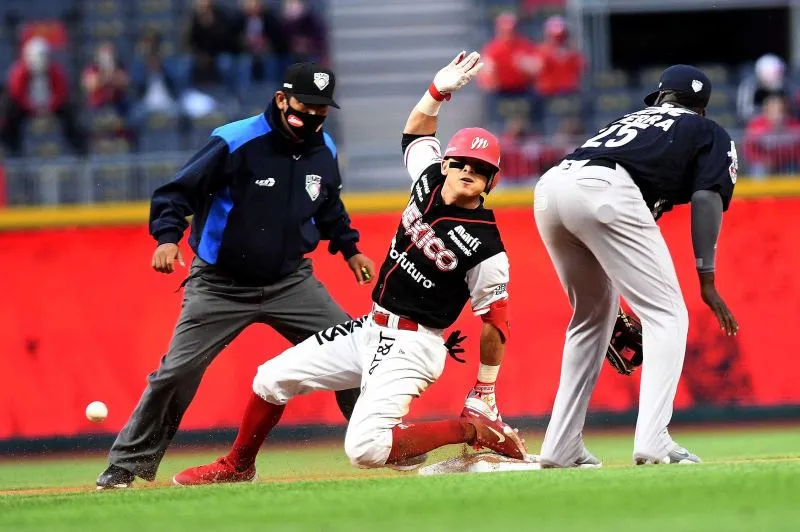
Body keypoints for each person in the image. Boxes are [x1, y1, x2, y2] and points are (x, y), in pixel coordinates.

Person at [170, 51, 527, 485]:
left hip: (415, 344)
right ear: (446, 163)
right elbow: (415, 132)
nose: (468, 171)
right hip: (370, 327)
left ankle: (472, 431)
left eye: (481, 169)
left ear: (492, 181)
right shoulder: (429, 179)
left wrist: (485, 389)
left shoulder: (487, 245)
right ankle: (237, 466)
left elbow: (496, 320)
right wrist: (436, 92)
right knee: (269, 379)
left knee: (365, 450)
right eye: (462, 163)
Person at [96, 63, 376, 489]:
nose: (313, 115)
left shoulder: (324, 149)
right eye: (305, 105)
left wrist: (350, 248)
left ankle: (379, 443)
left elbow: (328, 206)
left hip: (291, 282)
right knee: (178, 372)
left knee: (356, 353)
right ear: (282, 99)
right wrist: (167, 238)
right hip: (219, 285)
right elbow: (177, 192)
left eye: (321, 108)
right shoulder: (235, 140)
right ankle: (127, 465)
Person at [534, 65, 739, 467]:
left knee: (591, 320)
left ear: (661, 98)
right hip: (605, 190)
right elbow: (706, 199)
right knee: (667, 314)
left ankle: (559, 447)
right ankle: (653, 440)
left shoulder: (628, 121)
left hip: (551, 188)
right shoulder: (707, 131)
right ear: (701, 108)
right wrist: (707, 279)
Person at [0, 37, 86, 156]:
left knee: (70, 110)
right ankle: (13, 148)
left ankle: (78, 148)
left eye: (43, 56)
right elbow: (17, 95)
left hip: (51, 106)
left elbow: (61, 93)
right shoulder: (18, 72)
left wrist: (49, 107)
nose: (39, 61)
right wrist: (33, 108)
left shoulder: (56, 71)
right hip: (26, 108)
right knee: (9, 110)